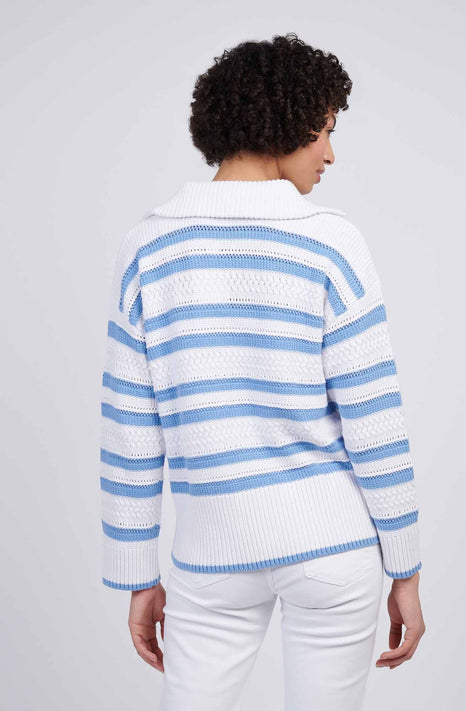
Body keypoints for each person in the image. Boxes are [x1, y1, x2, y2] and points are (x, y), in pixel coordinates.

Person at [99, 33, 426, 710]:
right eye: (324, 131)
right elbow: (374, 420)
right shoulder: (331, 243)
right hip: (331, 548)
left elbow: (130, 428)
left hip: (208, 556)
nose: (330, 154)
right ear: (287, 121)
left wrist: (137, 573)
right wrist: (405, 566)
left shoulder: (148, 249)